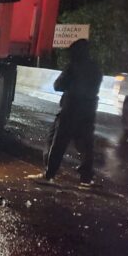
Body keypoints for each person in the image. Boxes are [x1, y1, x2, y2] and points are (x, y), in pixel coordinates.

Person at [30, 39, 103, 187]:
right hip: (89, 110)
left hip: (71, 110)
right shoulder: (95, 68)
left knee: (56, 143)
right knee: (86, 146)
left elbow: (58, 85)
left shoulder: (73, 67)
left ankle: (49, 174)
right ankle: (86, 178)